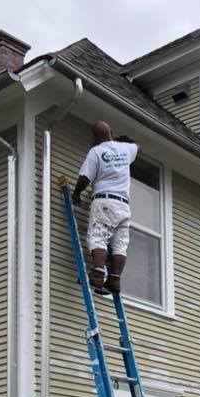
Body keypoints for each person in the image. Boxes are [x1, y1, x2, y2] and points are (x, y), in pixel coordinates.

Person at [72, 121, 138, 296]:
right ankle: (114, 280)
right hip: (124, 206)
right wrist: (119, 141)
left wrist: (76, 193)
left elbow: (85, 178)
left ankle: (98, 275)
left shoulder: (96, 151)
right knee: (120, 245)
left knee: (98, 238)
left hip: (105, 202)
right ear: (111, 133)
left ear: (94, 137)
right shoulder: (127, 149)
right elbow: (136, 146)